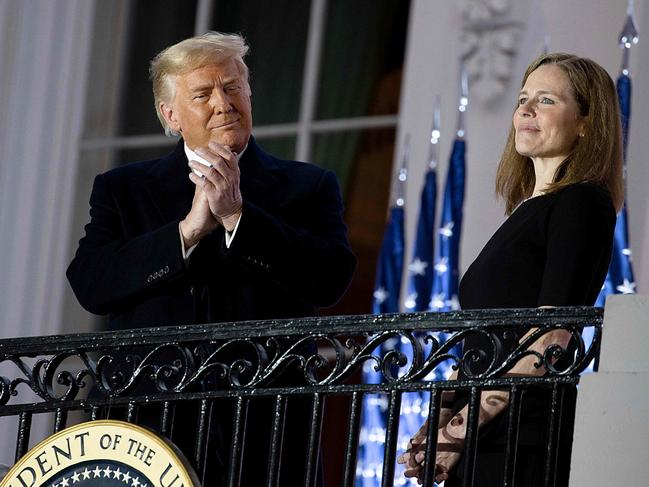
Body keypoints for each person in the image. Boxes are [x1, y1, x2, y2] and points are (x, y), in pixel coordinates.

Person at [67, 32, 356, 485]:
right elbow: (90, 283)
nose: (224, 103)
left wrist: (238, 216)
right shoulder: (123, 188)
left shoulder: (308, 185)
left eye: (233, 87)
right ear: (171, 114)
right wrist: (187, 232)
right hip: (146, 425)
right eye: (202, 94)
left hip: (268, 424)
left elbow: (330, 278)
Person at [398, 52, 622, 486]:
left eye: (546, 100)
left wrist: (456, 432)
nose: (525, 109)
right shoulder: (529, 211)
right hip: (487, 432)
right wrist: (438, 420)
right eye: (523, 98)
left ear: (585, 123)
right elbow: (486, 341)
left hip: (522, 434)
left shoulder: (581, 203)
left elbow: (550, 339)